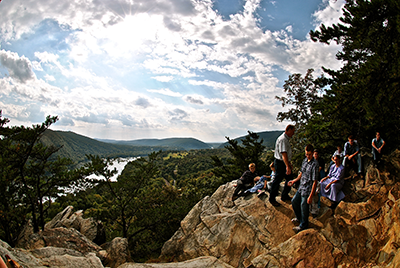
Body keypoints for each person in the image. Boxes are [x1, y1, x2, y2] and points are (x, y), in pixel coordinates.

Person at [288, 144, 319, 233]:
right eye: (306, 154)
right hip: (302, 186)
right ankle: (299, 218)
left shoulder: (315, 164)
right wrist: (294, 180)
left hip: (308, 188)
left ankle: (303, 225)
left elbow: (315, 182)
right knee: (294, 201)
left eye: (309, 154)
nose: (307, 156)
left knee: (304, 206)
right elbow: (301, 173)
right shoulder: (305, 160)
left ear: (312, 153)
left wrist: (311, 196)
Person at [269, 124, 295, 207]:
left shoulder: (285, 139)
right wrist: (287, 166)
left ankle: (284, 195)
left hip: (283, 162)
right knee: (277, 180)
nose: (293, 134)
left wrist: (289, 163)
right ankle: (272, 199)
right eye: (293, 132)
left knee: (289, 178)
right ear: (288, 130)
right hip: (281, 163)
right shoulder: (283, 139)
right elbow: (283, 154)